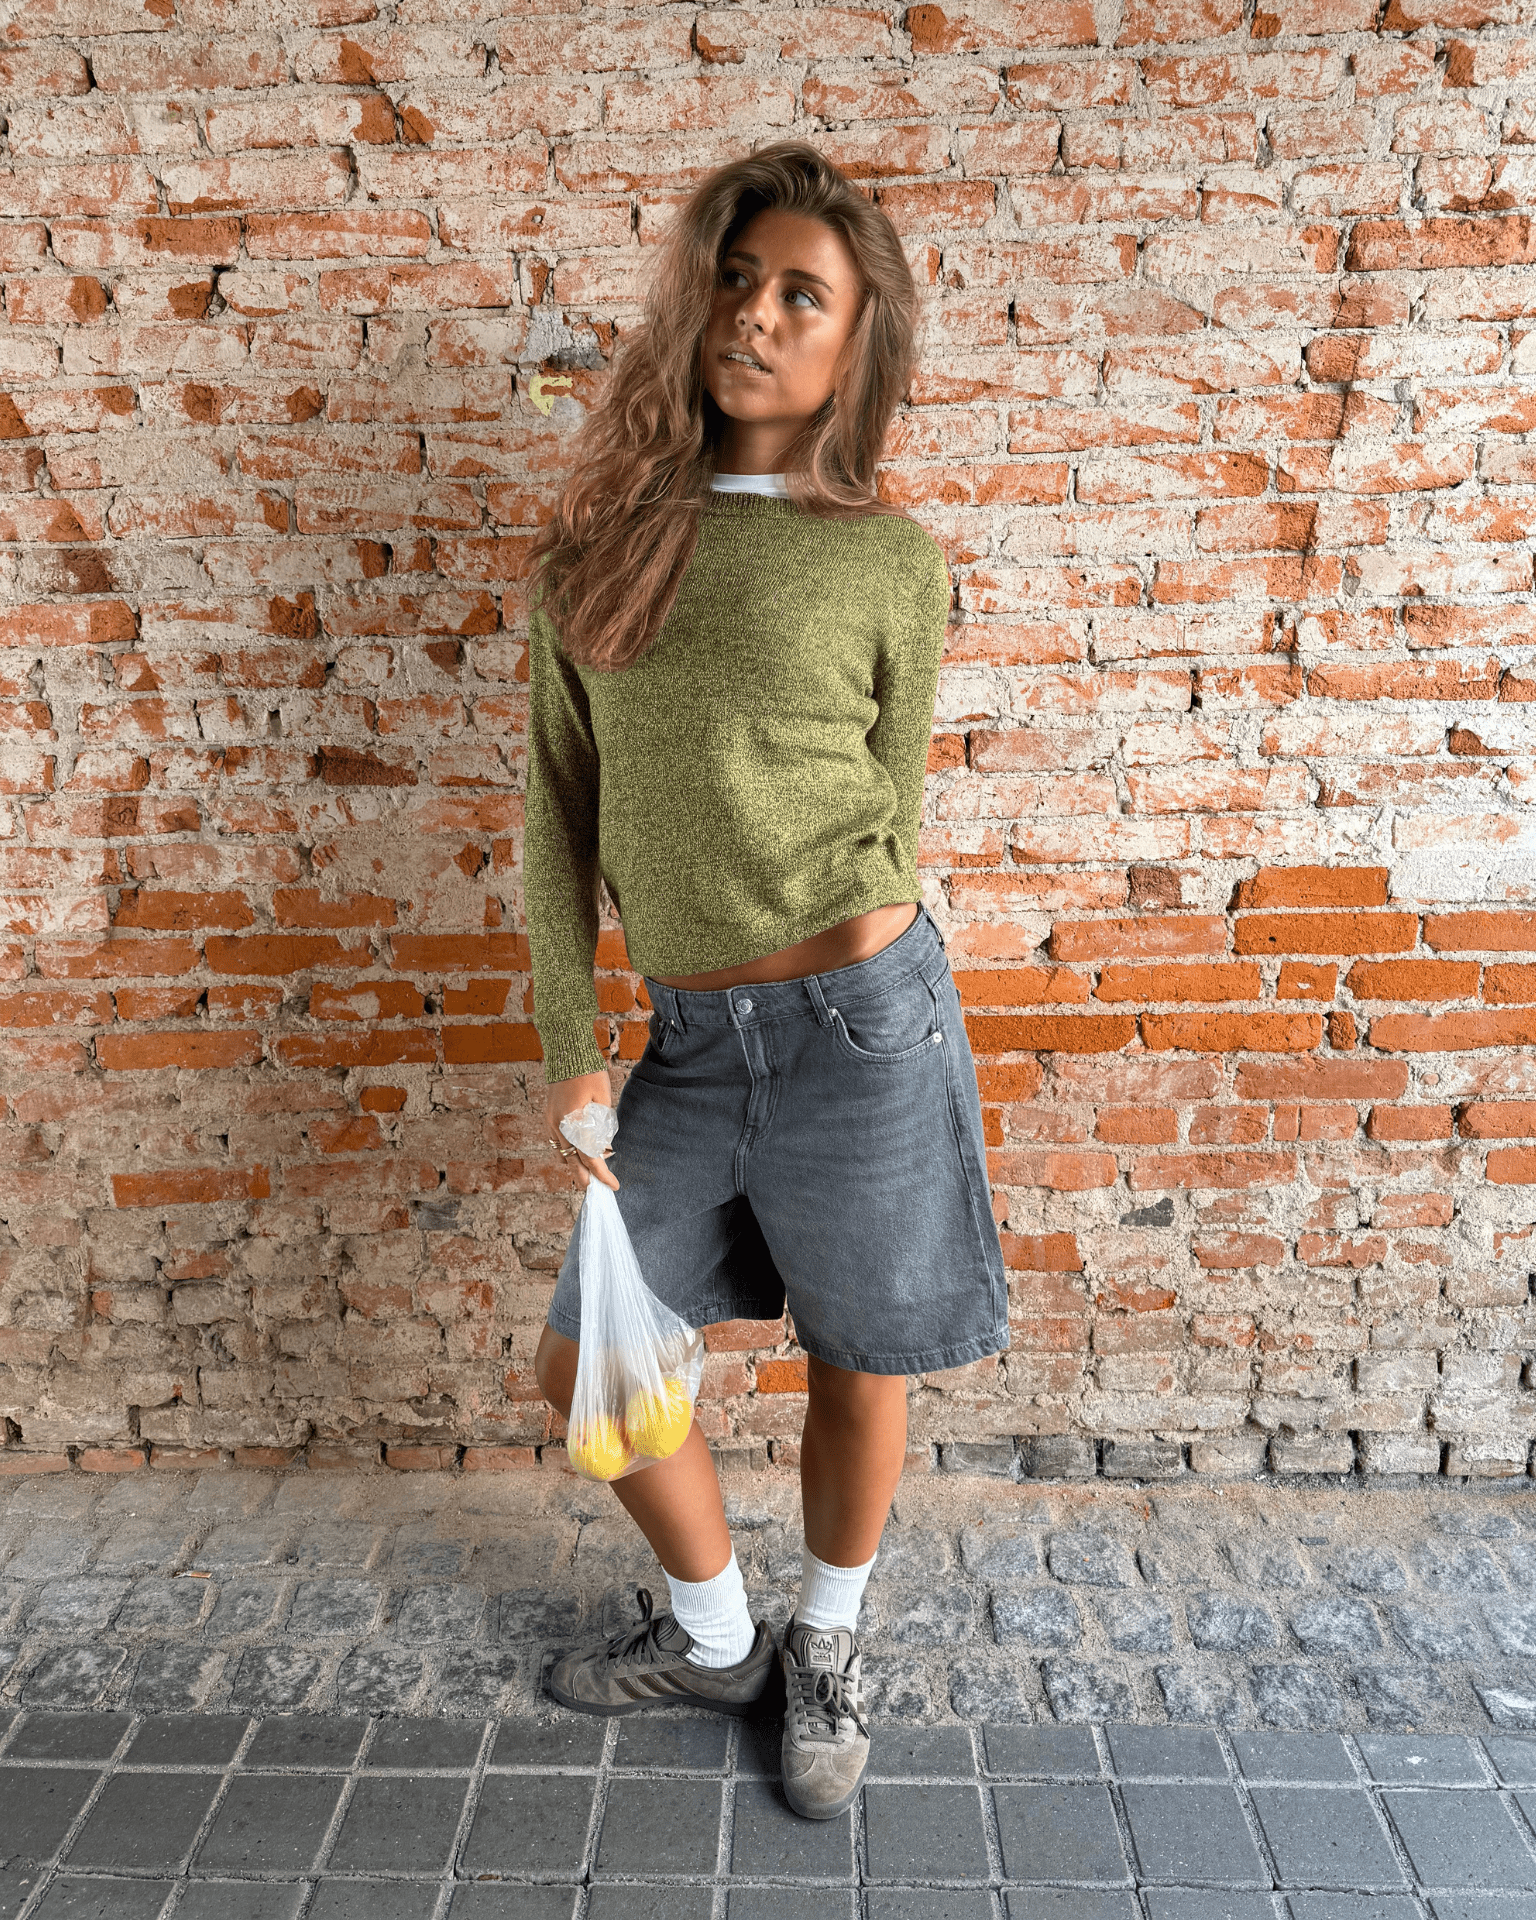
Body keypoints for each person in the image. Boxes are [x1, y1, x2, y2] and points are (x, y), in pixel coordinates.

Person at [521, 138, 1009, 1821]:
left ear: (855, 340)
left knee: (858, 1355)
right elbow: (554, 819)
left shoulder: (891, 559)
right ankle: (720, 1634)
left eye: (804, 293)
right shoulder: (595, 554)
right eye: (738, 280)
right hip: (687, 1044)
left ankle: (830, 1641)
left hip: (864, 1025)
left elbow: (888, 803)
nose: (758, 315)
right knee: (593, 1353)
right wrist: (574, 1045)